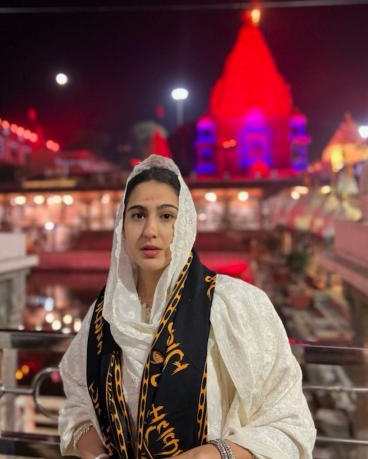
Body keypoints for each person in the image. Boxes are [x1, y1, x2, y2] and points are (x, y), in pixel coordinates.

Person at [59, 155, 316, 459]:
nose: (150, 230)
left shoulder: (235, 307)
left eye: (166, 216)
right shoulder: (105, 314)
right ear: (122, 226)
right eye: (138, 215)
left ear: (185, 224)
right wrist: (94, 451)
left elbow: (288, 422)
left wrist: (216, 454)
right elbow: (78, 407)